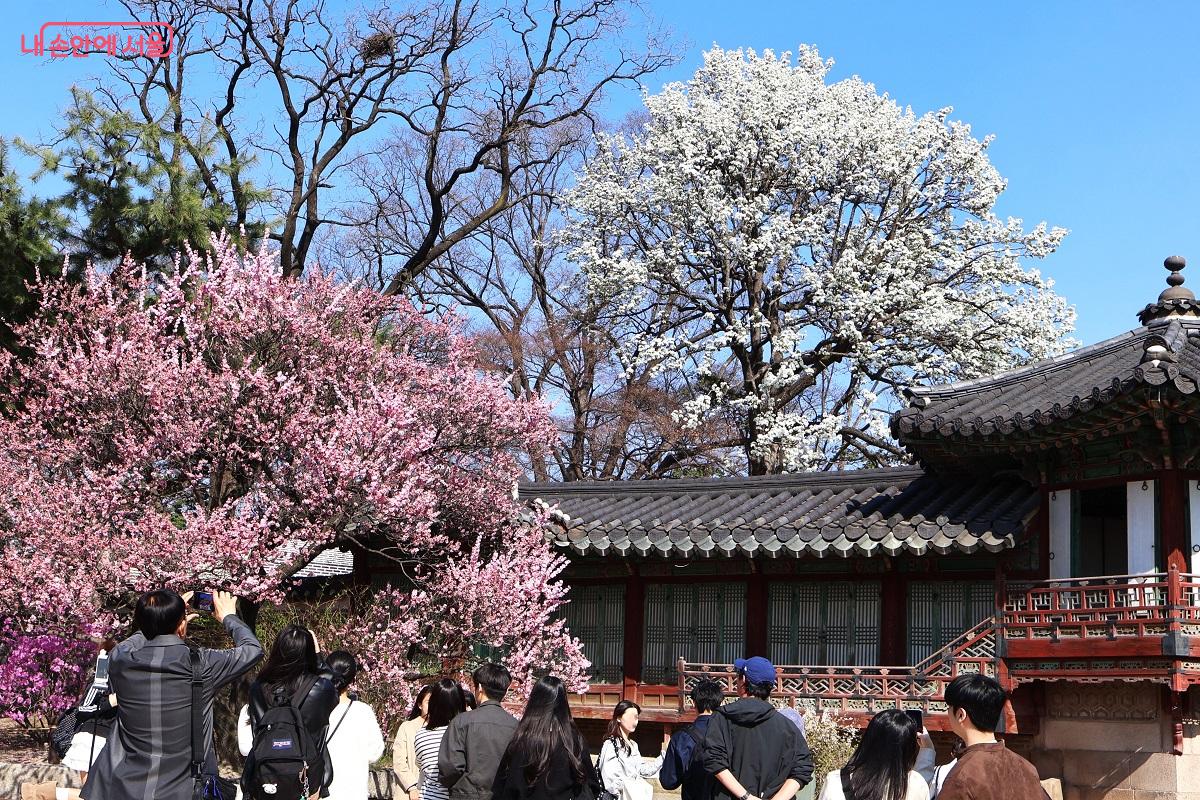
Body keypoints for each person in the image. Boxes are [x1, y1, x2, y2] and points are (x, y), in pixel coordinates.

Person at [80, 589, 263, 800]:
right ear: (182, 625)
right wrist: (228, 617)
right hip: (182, 787)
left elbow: (128, 643)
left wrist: (156, 617)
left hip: (125, 785)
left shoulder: (121, 661)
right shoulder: (202, 664)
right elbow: (252, 649)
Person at [246, 625, 340, 797]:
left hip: (265, 777)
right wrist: (319, 659)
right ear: (309, 653)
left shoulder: (258, 688)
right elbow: (334, 689)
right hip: (307, 779)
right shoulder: (321, 689)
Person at [704, 656, 814, 800]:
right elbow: (803, 768)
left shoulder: (722, 718)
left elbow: (714, 761)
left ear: (743, 680)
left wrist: (746, 797)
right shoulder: (787, 726)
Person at [491, 676, 602, 800]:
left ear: (535, 701)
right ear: (563, 702)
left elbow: (503, 787)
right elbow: (592, 785)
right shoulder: (573, 740)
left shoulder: (521, 740)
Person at [936, 675, 1044, 800]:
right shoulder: (1027, 768)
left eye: (949, 707)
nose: (948, 712)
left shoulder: (963, 774)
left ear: (961, 714)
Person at [438, 663, 518, 800]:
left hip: (465, 794)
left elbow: (450, 766)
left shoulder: (461, 722)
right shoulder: (516, 726)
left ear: (479, 688)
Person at [817, 709, 929, 800]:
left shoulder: (836, 781)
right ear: (909, 748)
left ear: (869, 740)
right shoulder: (917, 784)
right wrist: (928, 750)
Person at [324, 651, 386, 800]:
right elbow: (375, 752)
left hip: (323, 792)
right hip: (354, 792)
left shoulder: (316, 709)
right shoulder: (363, 711)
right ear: (352, 678)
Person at [661, 679, 724, 800]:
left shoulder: (680, 737)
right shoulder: (729, 734)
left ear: (694, 703)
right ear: (720, 703)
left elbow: (668, 782)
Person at [598, 700, 669, 800]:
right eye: (631, 717)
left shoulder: (633, 745)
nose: (635, 721)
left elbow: (642, 770)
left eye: (636, 717)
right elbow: (610, 780)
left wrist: (663, 756)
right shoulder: (610, 744)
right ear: (618, 717)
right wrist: (626, 790)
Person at [415, 679, 468, 800]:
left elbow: (420, 764)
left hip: (429, 796)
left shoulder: (421, 735)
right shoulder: (466, 733)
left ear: (433, 704)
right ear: (460, 703)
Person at [394, 684, 434, 800]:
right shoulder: (407, 727)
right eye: (428, 702)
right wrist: (412, 787)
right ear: (420, 705)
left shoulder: (443, 728)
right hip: (408, 792)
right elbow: (399, 761)